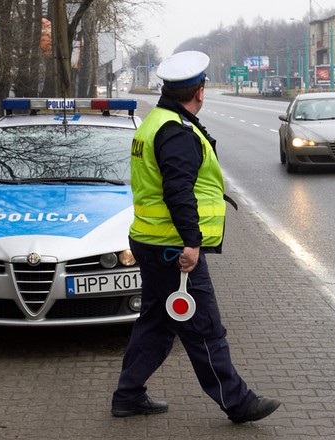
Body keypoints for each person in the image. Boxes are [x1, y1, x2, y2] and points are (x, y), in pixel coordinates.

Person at [111, 51, 281, 423]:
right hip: (173, 247)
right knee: (203, 326)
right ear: (200, 92)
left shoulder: (155, 122)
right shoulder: (175, 131)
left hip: (151, 239)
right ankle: (238, 402)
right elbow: (178, 191)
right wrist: (191, 242)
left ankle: (127, 395)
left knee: (156, 323)